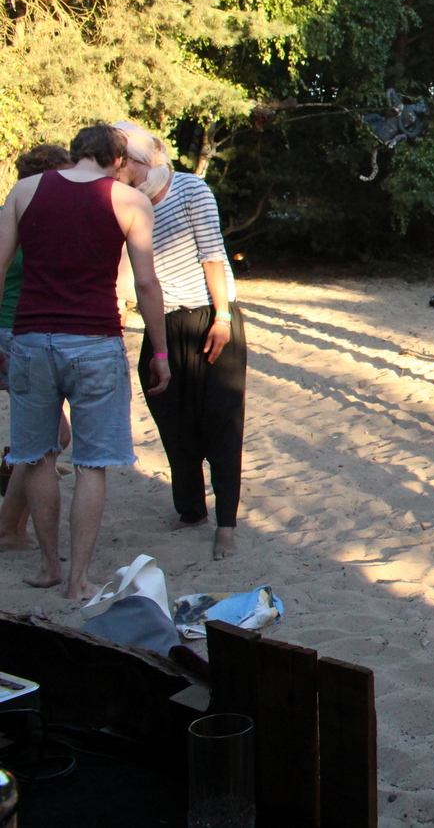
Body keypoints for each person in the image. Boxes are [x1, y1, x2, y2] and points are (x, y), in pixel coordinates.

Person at [0, 124, 170, 600]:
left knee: (37, 456)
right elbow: (146, 284)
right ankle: (78, 579)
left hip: (32, 338)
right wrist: (160, 351)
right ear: (118, 161)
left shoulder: (25, 191)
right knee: (91, 465)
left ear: (75, 153)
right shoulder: (129, 201)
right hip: (95, 341)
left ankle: (48, 565)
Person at [115, 122, 248, 561]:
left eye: (116, 160)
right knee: (173, 420)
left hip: (212, 315)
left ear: (134, 159)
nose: (111, 169)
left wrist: (222, 317)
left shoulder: (189, 188)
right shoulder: (123, 202)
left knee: (221, 422)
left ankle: (226, 524)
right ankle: (191, 511)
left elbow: (212, 255)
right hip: (163, 323)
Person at [0, 144, 74, 552]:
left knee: (42, 436)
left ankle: (10, 527)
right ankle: (9, 528)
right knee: (49, 435)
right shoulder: (29, 218)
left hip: (23, 331)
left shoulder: (15, 213)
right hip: (17, 332)